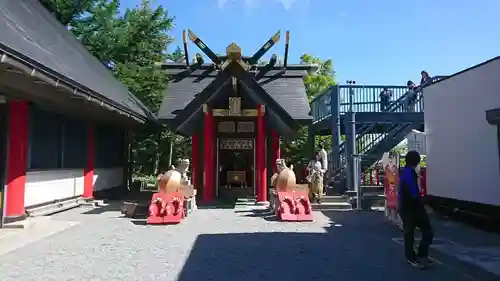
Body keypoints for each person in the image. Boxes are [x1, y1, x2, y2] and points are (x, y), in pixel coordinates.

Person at [398, 150, 434, 268]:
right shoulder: (409, 174)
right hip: (412, 208)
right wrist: (425, 206)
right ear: (417, 161)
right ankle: (418, 257)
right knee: (426, 231)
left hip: (406, 207)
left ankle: (414, 257)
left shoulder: (406, 172)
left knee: (410, 233)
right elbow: (414, 193)